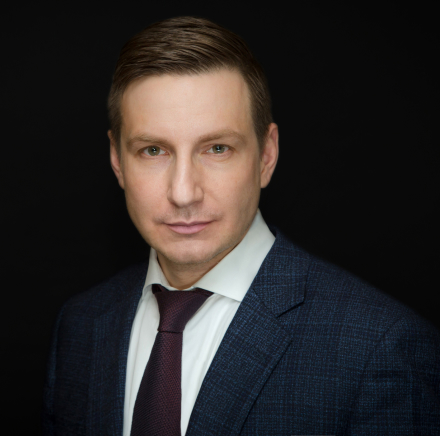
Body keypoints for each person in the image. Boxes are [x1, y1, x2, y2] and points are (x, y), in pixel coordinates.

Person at [42, 16, 440, 435]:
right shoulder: (81, 325)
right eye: (154, 150)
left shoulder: (381, 350)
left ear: (267, 155)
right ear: (117, 160)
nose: (184, 193)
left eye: (217, 148)